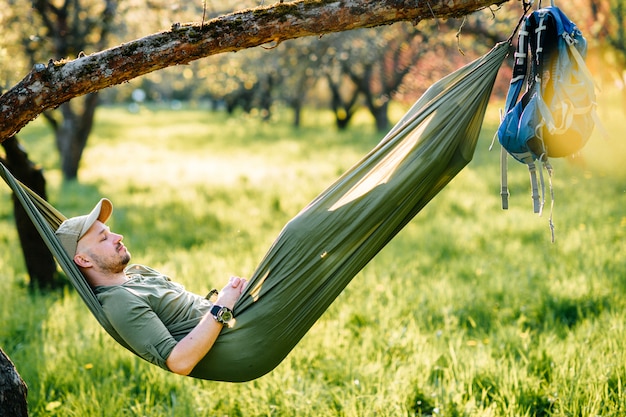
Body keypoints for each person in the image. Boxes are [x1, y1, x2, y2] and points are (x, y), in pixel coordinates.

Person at [55, 198, 247, 376]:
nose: (118, 236)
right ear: (83, 259)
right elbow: (179, 363)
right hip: (241, 339)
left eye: (110, 231)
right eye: (103, 238)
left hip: (241, 318)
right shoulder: (120, 301)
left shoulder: (138, 272)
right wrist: (223, 305)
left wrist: (234, 297)